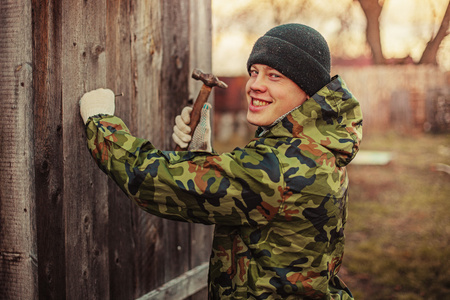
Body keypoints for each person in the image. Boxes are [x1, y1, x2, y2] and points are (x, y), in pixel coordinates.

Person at [79, 23, 363, 299]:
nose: (254, 85)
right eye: (254, 72)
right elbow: (248, 196)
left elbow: (161, 182)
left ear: (307, 89)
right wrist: (200, 154)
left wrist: (101, 124)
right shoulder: (314, 146)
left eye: (274, 76)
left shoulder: (283, 166)